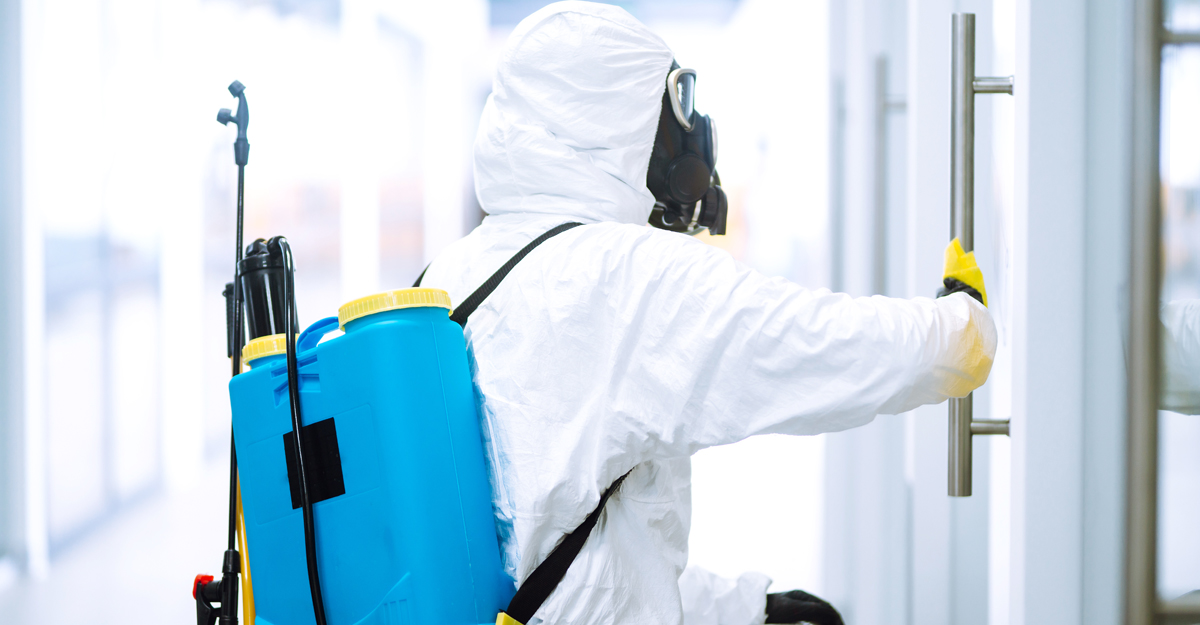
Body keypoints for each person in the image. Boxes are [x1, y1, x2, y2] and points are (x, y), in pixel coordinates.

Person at [417, 2, 997, 624]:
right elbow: (817, 347)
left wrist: (745, 606)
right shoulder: (621, 274)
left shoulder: (455, 271)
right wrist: (961, 328)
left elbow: (544, 540)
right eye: (672, 108)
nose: (688, 135)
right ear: (613, 119)